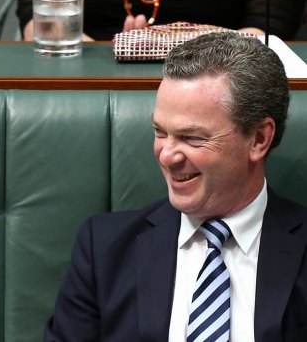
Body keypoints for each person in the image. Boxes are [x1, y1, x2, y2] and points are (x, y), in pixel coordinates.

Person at [44, 32, 307, 341]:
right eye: (160, 132)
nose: (167, 156)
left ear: (259, 139)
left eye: (192, 137)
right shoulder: (104, 250)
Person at [17, 0, 307, 41]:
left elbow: (268, 30)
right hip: (88, 77)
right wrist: (111, 56)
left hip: (220, 77)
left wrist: (179, 56)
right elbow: (38, 20)